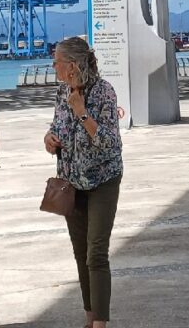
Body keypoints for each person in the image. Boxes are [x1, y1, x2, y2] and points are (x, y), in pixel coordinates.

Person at [43, 37, 123, 328]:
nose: (54, 67)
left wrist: (81, 111)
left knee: (96, 253)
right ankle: (89, 317)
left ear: (72, 66)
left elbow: (108, 143)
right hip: (71, 182)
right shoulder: (61, 92)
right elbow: (56, 127)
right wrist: (49, 139)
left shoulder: (104, 92)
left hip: (102, 180)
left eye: (57, 62)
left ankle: (100, 323)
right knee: (80, 253)